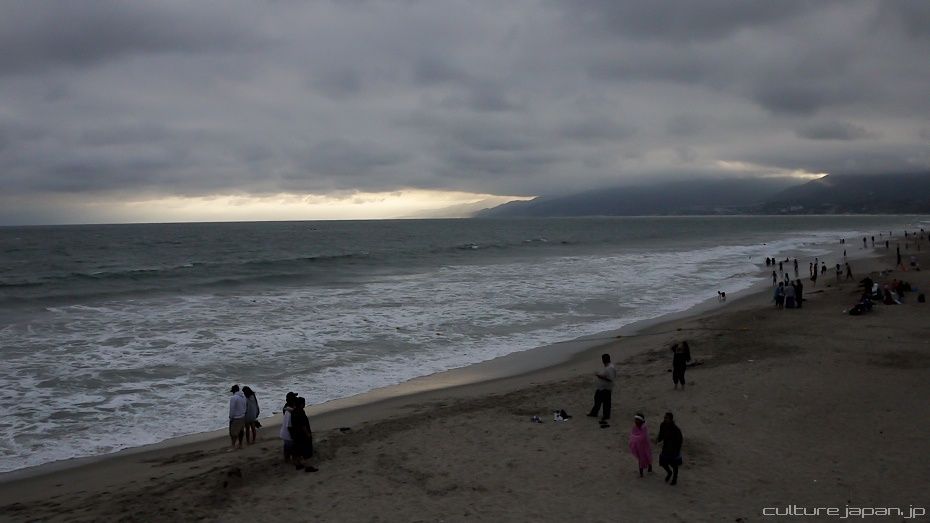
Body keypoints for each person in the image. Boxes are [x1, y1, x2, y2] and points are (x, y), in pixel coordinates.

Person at [289, 397, 317, 472]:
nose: (304, 404)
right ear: (301, 404)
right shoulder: (300, 412)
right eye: (303, 403)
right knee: (307, 450)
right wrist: (307, 434)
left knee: (298, 449)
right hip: (302, 434)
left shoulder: (293, 412)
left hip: (296, 434)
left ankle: (298, 464)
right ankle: (308, 467)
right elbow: (303, 426)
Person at [587, 354, 616, 423]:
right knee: (598, 399)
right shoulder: (608, 367)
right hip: (602, 387)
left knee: (605, 402)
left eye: (603, 359)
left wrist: (600, 376)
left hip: (605, 388)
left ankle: (605, 415)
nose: (602, 360)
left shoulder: (610, 368)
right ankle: (595, 413)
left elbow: (610, 379)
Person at [657, 412, 683, 485]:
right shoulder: (663, 425)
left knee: (674, 465)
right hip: (666, 447)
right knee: (663, 462)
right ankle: (669, 472)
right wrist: (658, 439)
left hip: (674, 449)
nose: (665, 419)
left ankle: (674, 479)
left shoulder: (676, 429)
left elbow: (680, 440)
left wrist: (677, 449)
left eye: (666, 418)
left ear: (671, 419)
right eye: (664, 417)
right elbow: (661, 434)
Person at [628, 413, 653, 478]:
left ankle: (650, 467)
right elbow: (632, 435)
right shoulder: (634, 427)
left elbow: (642, 437)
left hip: (645, 446)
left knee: (648, 456)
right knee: (640, 459)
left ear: (641, 421)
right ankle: (641, 473)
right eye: (635, 419)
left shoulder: (644, 427)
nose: (636, 421)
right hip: (638, 446)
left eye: (638, 420)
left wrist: (635, 439)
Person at [228, 385, 247, 450]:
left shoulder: (233, 398)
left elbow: (232, 409)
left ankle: (233, 446)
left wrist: (231, 417)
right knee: (241, 432)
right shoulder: (243, 397)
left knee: (233, 433)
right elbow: (245, 407)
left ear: (234, 391)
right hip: (243, 416)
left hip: (236, 418)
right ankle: (240, 444)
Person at [280, 393, 295, 463]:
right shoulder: (289, 412)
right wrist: (292, 436)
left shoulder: (286, 408)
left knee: (287, 446)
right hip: (288, 434)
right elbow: (289, 426)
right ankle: (288, 459)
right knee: (290, 447)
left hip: (284, 432)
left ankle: (287, 458)